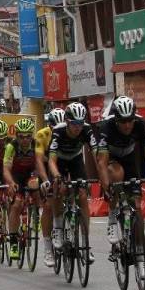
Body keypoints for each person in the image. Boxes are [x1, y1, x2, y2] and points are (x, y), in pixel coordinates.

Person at [95, 95, 145, 279]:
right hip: (112, 159)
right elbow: (101, 161)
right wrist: (107, 186)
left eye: (130, 120)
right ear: (115, 119)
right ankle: (113, 217)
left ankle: (139, 252)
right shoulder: (105, 128)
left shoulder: (142, 125)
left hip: (131, 158)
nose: (127, 125)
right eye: (123, 122)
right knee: (116, 173)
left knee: (137, 207)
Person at [48, 102, 97, 264]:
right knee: (59, 189)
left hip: (76, 160)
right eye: (74, 124)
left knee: (82, 195)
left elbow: (97, 155)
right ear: (67, 122)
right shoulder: (58, 131)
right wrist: (56, 176)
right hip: (59, 162)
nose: (78, 128)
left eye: (80, 123)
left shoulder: (87, 130)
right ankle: (58, 228)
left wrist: (102, 176)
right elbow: (51, 160)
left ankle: (86, 244)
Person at [3, 118, 38, 260]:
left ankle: (35, 216)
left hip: (30, 174)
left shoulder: (36, 145)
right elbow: (6, 169)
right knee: (16, 204)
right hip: (16, 175)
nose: (25, 139)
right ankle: (13, 242)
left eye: (28, 136)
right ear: (17, 136)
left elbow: (42, 164)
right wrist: (11, 183)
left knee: (36, 187)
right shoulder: (11, 146)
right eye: (21, 136)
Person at [35, 108, 65, 267]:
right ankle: (47, 247)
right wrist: (45, 180)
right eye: (55, 128)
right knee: (47, 206)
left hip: (63, 166)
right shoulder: (42, 135)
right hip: (46, 168)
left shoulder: (67, 132)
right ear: (50, 126)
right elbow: (39, 160)